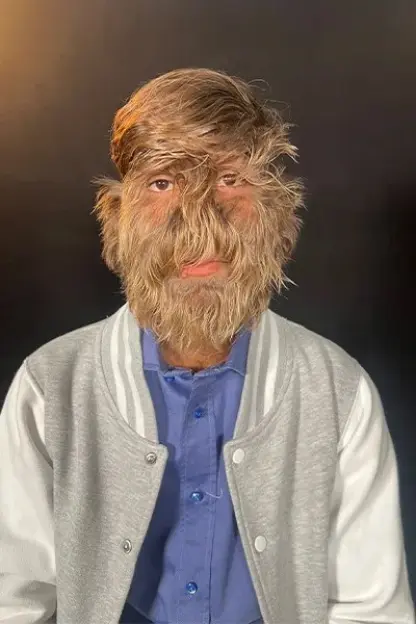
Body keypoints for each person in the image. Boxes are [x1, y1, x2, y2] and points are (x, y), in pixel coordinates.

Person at [0, 68, 414, 624]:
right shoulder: (50, 387)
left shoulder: (337, 392)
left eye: (229, 179)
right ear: (116, 219)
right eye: (163, 183)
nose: (198, 221)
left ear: (280, 218)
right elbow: (14, 597)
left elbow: (369, 609)